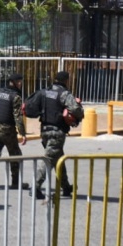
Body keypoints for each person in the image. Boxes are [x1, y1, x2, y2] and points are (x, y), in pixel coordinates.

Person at [32, 71, 84, 200]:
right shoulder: (64, 94)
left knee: (58, 158)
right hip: (57, 132)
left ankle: (65, 187)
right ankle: (35, 187)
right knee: (49, 159)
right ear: (66, 80)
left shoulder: (44, 92)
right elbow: (76, 110)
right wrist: (79, 109)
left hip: (44, 130)